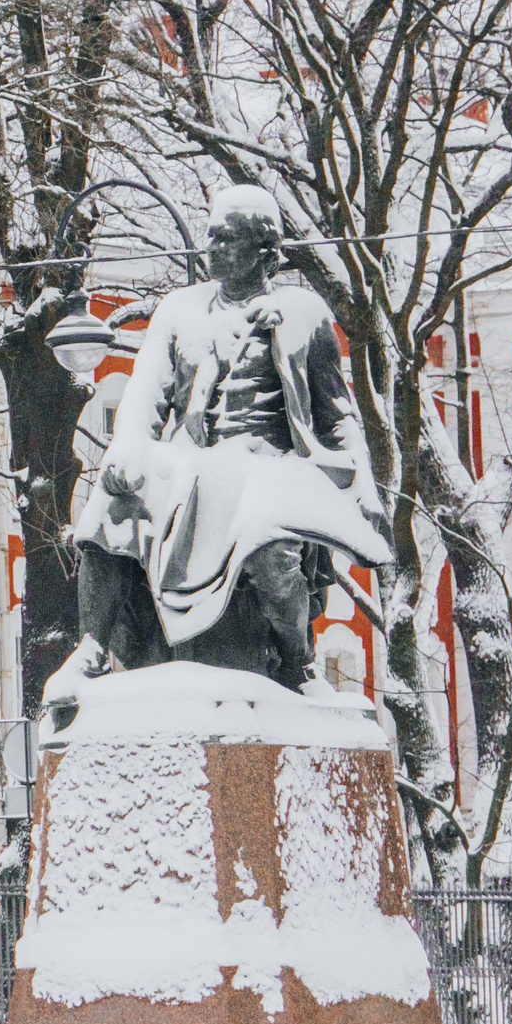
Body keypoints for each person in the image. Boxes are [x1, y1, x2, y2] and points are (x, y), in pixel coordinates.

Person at [64, 185, 390, 691]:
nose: (210, 248)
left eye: (226, 239)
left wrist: (362, 486)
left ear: (265, 252)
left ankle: (296, 662)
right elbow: (144, 395)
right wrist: (126, 449)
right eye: (210, 236)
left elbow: (339, 416)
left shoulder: (304, 312)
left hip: (273, 464)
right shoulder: (179, 311)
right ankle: (92, 648)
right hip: (192, 462)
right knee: (112, 500)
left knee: (269, 547)